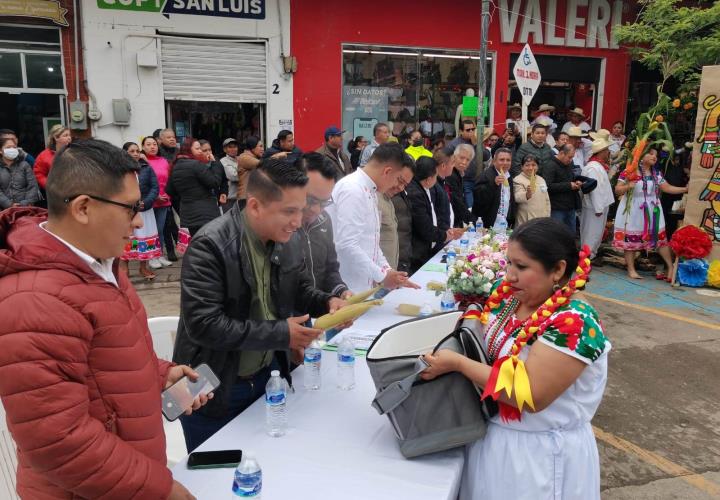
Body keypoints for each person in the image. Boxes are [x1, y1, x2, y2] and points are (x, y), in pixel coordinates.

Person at [0, 139, 208, 500]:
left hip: (127, 477)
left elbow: (103, 359)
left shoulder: (100, 261)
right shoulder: (33, 302)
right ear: (83, 208)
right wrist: (163, 490)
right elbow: (59, 443)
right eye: (130, 209)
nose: (140, 221)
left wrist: (161, 374)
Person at [421, 217, 610, 500]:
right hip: (493, 444)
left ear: (558, 269)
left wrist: (459, 363)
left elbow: (531, 394)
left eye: (522, 267)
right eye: (509, 262)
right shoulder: (510, 300)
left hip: (540, 458)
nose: (509, 275)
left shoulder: (575, 323)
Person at [172, 158, 345, 452]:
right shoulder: (210, 245)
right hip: (210, 386)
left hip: (266, 380)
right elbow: (204, 324)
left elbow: (299, 288)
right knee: (213, 478)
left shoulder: (287, 239)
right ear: (255, 206)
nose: (297, 220)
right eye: (289, 211)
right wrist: (281, 334)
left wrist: (328, 302)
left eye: (301, 209)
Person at [329, 143, 420, 292]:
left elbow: (372, 243)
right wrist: (382, 276)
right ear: (387, 171)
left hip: (364, 284)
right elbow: (347, 244)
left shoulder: (370, 191)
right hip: (348, 287)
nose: (399, 187)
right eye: (398, 179)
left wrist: (387, 271)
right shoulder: (353, 189)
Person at [613, 148, 688, 280]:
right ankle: (631, 269)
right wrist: (627, 186)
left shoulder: (656, 173)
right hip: (634, 210)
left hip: (653, 210)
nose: (655, 157)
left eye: (656, 155)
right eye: (651, 154)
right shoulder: (629, 171)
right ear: (641, 156)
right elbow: (617, 190)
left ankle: (670, 267)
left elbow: (667, 188)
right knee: (631, 239)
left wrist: (686, 189)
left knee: (660, 238)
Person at [297, 153, 351, 298]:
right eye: (311, 200)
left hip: (319, 310)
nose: (316, 210)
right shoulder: (279, 228)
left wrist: (341, 291)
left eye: (324, 202)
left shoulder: (324, 220)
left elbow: (331, 268)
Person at [407, 157, 463, 272]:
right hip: (417, 251)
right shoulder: (415, 193)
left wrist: (446, 232)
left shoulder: (423, 187)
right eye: (435, 176)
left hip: (429, 241)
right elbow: (424, 226)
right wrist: (445, 235)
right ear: (428, 179)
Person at [118, 141, 161, 280]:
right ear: (124, 153)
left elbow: (155, 187)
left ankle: (143, 267)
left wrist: (146, 202)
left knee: (143, 238)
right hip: (126, 212)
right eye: (132, 151)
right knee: (129, 238)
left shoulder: (146, 167)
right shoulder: (118, 170)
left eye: (137, 151)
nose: (136, 154)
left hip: (144, 211)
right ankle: (124, 268)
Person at [166, 137, 221, 236]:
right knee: (208, 244)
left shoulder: (175, 166)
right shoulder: (196, 165)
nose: (200, 151)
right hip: (205, 212)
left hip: (188, 212)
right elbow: (214, 182)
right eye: (197, 148)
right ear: (188, 150)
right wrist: (214, 163)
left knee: (196, 243)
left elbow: (169, 190)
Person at [141, 136, 175, 269]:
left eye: (154, 144)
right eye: (148, 144)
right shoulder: (142, 162)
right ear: (143, 147)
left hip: (164, 201)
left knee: (160, 230)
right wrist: (155, 197)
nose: (152, 147)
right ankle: (151, 257)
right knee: (150, 231)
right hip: (149, 202)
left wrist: (167, 194)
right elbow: (143, 184)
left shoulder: (163, 161)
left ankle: (159, 254)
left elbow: (169, 181)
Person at [580, 138, 616, 262]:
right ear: (601, 152)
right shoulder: (593, 168)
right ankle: (585, 261)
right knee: (591, 235)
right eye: (606, 150)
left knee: (595, 235)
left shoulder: (597, 166)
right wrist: (599, 208)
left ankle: (588, 259)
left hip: (598, 206)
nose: (608, 153)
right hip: (595, 207)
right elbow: (594, 190)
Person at [541, 144, 582, 234]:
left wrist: (576, 183)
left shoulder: (569, 163)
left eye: (572, 157)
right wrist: (568, 185)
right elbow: (547, 186)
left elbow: (571, 179)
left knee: (571, 234)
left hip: (570, 206)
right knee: (557, 235)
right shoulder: (550, 165)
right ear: (562, 153)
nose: (571, 160)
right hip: (557, 208)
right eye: (569, 157)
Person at [473, 148, 516, 229]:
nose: (505, 163)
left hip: (504, 222)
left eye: (508, 160)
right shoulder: (485, 175)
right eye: (502, 160)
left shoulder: (509, 176)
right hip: (489, 223)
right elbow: (478, 199)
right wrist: (493, 184)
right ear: (494, 161)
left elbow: (510, 200)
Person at [448, 119, 486, 209]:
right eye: (468, 130)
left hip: (478, 179)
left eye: (473, 129)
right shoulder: (454, 144)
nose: (471, 132)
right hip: (465, 180)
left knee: (480, 207)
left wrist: (476, 144)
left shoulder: (476, 141)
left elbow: (486, 156)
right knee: (470, 206)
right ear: (461, 131)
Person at [156, 128, 180, 261]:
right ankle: (170, 250)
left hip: (179, 191)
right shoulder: (158, 153)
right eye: (168, 137)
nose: (172, 139)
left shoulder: (179, 152)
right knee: (168, 223)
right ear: (160, 140)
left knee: (185, 221)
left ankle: (184, 246)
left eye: (173, 137)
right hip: (165, 193)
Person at [0, 136, 39, 209]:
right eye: (8, 147)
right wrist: (9, 205)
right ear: (1, 150)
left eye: (14, 147)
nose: (12, 149)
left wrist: (25, 203)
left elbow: (33, 185)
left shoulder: (24, 165)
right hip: (4, 210)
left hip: (26, 208)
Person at [513, 155, 550, 225]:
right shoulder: (517, 180)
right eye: (527, 165)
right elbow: (517, 197)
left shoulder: (541, 179)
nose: (530, 168)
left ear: (537, 167)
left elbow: (547, 199)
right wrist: (527, 194)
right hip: (526, 220)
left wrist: (547, 216)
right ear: (522, 167)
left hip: (542, 219)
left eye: (533, 165)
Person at [33, 124, 72, 190]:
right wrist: (49, 186)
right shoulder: (44, 155)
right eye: (65, 135)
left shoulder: (75, 152)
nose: (69, 138)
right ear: (56, 138)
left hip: (74, 190)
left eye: (70, 135)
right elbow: (39, 174)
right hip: (54, 192)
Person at [199, 139, 229, 209]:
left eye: (210, 150)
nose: (208, 153)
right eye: (205, 151)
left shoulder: (216, 161)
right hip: (203, 204)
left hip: (216, 201)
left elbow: (224, 180)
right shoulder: (197, 165)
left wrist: (223, 192)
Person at [237, 136, 264, 210]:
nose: (262, 149)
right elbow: (263, 164)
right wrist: (276, 156)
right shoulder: (244, 157)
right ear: (252, 147)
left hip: (252, 198)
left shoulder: (254, 158)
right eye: (260, 146)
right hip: (245, 199)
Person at [220, 138, 240, 212]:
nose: (233, 149)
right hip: (229, 199)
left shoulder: (240, 159)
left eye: (235, 146)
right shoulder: (223, 161)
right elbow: (234, 176)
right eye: (230, 147)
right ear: (225, 150)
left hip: (240, 198)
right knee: (230, 222)